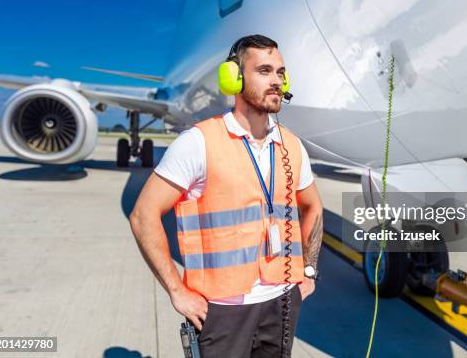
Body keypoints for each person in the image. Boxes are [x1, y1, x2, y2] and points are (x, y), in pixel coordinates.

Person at [128, 34, 324, 357]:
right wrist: (177, 290)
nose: (276, 81)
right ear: (233, 78)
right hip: (224, 311)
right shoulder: (199, 142)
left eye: (280, 72)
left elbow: (313, 206)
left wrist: (309, 271)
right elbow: (142, 215)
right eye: (264, 71)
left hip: (283, 302)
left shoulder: (292, 145)